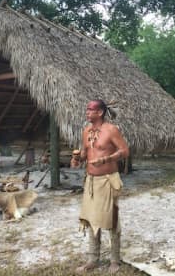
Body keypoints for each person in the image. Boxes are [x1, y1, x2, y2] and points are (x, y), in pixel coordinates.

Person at [76, 99, 129, 275]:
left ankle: (114, 260)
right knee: (91, 219)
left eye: (90, 110)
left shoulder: (111, 130)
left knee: (112, 219)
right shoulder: (86, 131)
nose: (87, 112)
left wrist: (106, 159)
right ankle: (93, 258)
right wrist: (77, 158)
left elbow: (124, 151)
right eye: (87, 109)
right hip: (91, 181)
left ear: (100, 112)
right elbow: (85, 153)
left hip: (108, 180)